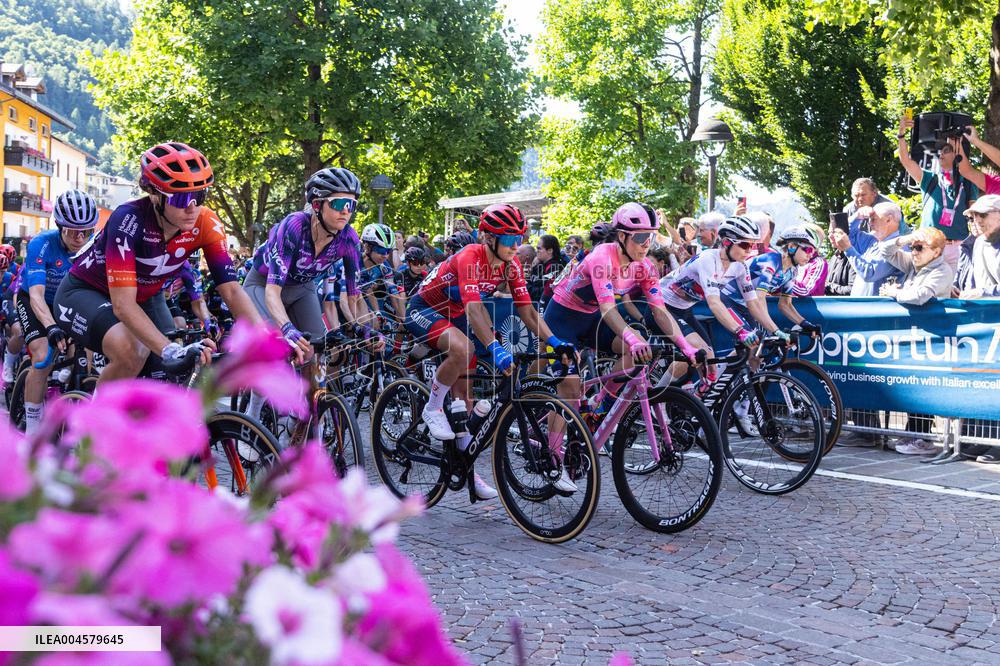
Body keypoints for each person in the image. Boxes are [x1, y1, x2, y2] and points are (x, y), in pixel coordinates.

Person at [55, 142, 261, 385]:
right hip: (86, 292)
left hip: (146, 297)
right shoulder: (128, 219)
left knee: (172, 369)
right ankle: (98, 410)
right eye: (182, 198)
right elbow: (122, 305)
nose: (192, 208)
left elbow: (232, 290)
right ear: (155, 195)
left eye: (199, 196)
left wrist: (267, 340)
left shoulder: (207, 223)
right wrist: (169, 350)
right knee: (133, 351)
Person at [405, 203, 574, 497]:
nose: (516, 245)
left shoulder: (512, 265)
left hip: (455, 313)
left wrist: (555, 341)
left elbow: (527, 312)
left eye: (519, 238)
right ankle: (432, 406)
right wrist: (495, 348)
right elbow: (475, 310)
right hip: (425, 308)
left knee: (466, 402)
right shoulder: (470, 256)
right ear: (488, 238)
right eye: (509, 239)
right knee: (464, 347)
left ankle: (466, 469)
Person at [544, 202, 697, 459]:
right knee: (569, 388)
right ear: (622, 236)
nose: (646, 243)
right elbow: (608, 309)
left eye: (651, 237)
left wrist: (686, 347)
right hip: (562, 317)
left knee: (637, 350)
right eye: (640, 237)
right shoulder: (602, 258)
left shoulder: (645, 266)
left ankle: (599, 406)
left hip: (591, 317)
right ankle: (552, 455)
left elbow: (660, 311)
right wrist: (632, 338)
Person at [244, 166, 370, 366]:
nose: (346, 211)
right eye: (338, 203)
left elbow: (354, 295)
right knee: (275, 344)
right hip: (262, 284)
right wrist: (287, 328)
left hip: (302, 289)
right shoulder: (294, 226)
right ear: (317, 205)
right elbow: (272, 292)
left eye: (351, 204)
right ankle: (254, 386)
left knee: (315, 350)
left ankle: (307, 387)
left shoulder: (349, 239)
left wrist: (363, 328)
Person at [13, 191, 98, 432]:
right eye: (72, 231)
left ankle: (68, 398)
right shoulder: (42, 244)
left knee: (85, 358)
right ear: (60, 226)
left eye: (86, 232)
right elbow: (36, 295)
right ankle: (32, 430)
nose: (80, 238)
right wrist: (50, 326)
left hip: (68, 303)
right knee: (42, 358)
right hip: (35, 300)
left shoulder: (95, 246)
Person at [880, 227, 955, 457]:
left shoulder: (942, 270)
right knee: (911, 383)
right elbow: (885, 251)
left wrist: (894, 292)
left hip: (934, 338)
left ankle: (923, 437)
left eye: (919, 247)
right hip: (914, 336)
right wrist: (904, 239)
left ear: (936, 251)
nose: (913, 251)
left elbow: (920, 296)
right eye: (912, 247)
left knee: (924, 385)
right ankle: (913, 432)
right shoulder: (913, 264)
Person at [898, 115, 978, 267]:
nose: (941, 154)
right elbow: (906, 161)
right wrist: (901, 134)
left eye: (946, 150)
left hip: (957, 248)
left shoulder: (968, 182)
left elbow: (975, 214)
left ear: (957, 154)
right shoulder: (929, 178)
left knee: (957, 283)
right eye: (940, 151)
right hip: (929, 246)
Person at [829, 201, 904, 296]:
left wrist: (848, 249)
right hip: (860, 304)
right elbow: (846, 233)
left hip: (877, 305)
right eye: (869, 219)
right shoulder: (873, 241)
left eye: (873, 219)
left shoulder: (899, 246)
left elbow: (870, 273)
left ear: (888, 219)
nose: (869, 223)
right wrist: (857, 217)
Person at [355, 222, 406, 330]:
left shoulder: (384, 266)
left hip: (362, 297)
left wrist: (403, 319)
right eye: (381, 251)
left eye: (388, 251)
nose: (385, 256)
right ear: (367, 247)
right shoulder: (354, 261)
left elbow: (393, 293)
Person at [959, 194, 1000, 298]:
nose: (977, 220)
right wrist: (966, 296)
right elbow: (971, 282)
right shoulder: (979, 242)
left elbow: (978, 291)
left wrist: (982, 292)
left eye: (983, 214)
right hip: (982, 306)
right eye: (973, 216)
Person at [528, 234, 565, 307]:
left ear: (550, 250)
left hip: (543, 308)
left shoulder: (556, 268)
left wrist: (526, 287)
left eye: (539, 249)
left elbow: (542, 293)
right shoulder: (539, 265)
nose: (536, 251)